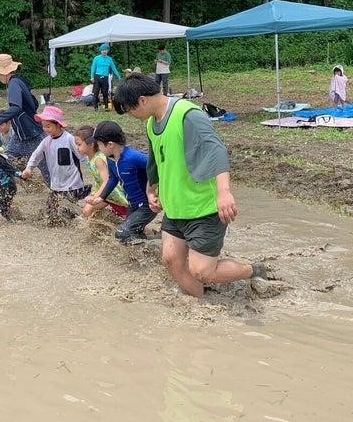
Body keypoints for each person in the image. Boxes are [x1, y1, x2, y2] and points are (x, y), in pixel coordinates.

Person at [113, 73, 267, 297]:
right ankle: (203, 304)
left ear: (143, 100)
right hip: (175, 209)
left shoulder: (188, 115)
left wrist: (224, 192)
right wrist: (151, 188)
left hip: (203, 208)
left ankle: (252, 271)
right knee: (171, 260)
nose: (130, 114)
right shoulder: (150, 123)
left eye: (129, 109)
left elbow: (216, 150)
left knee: (202, 271)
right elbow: (156, 158)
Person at [0, 54, 49, 183]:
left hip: (32, 136)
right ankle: (10, 189)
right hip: (21, 135)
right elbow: (32, 104)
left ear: (4, 72)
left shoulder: (14, 83)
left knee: (47, 172)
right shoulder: (19, 81)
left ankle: (63, 196)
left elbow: (16, 107)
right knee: (6, 161)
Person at [89, 121, 156, 244]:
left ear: (110, 145)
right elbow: (112, 179)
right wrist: (101, 197)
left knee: (122, 233)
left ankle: (156, 246)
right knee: (132, 233)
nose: (98, 148)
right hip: (132, 205)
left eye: (99, 144)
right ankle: (149, 252)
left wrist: (156, 193)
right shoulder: (111, 160)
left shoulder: (133, 157)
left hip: (147, 206)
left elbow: (156, 167)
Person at [22, 106, 90, 225]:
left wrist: (95, 167)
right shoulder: (46, 141)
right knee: (51, 215)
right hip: (56, 185)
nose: (45, 129)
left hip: (73, 184)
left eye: (48, 126)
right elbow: (36, 155)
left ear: (58, 125)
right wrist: (29, 168)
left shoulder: (69, 139)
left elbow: (83, 156)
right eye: (43, 126)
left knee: (73, 214)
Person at [73, 126, 129, 221]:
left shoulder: (99, 159)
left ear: (90, 145)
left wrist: (96, 196)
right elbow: (98, 180)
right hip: (106, 193)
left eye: (79, 144)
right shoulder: (90, 158)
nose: (77, 148)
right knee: (89, 211)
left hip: (113, 193)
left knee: (125, 219)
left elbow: (107, 180)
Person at [90, 43, 121, 111]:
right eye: (103, 50)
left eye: (106, 50)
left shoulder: (109, 59)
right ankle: (95, 107)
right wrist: (92, 77)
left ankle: (106, 107)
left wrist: (118, 76)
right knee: (96, 92)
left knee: (105, 93)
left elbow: (114, 68)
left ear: (108, 51)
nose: (104, 51)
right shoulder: (96, 58)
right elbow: (93, 68)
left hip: (105, 77)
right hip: (97, 77)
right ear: (100, 51)